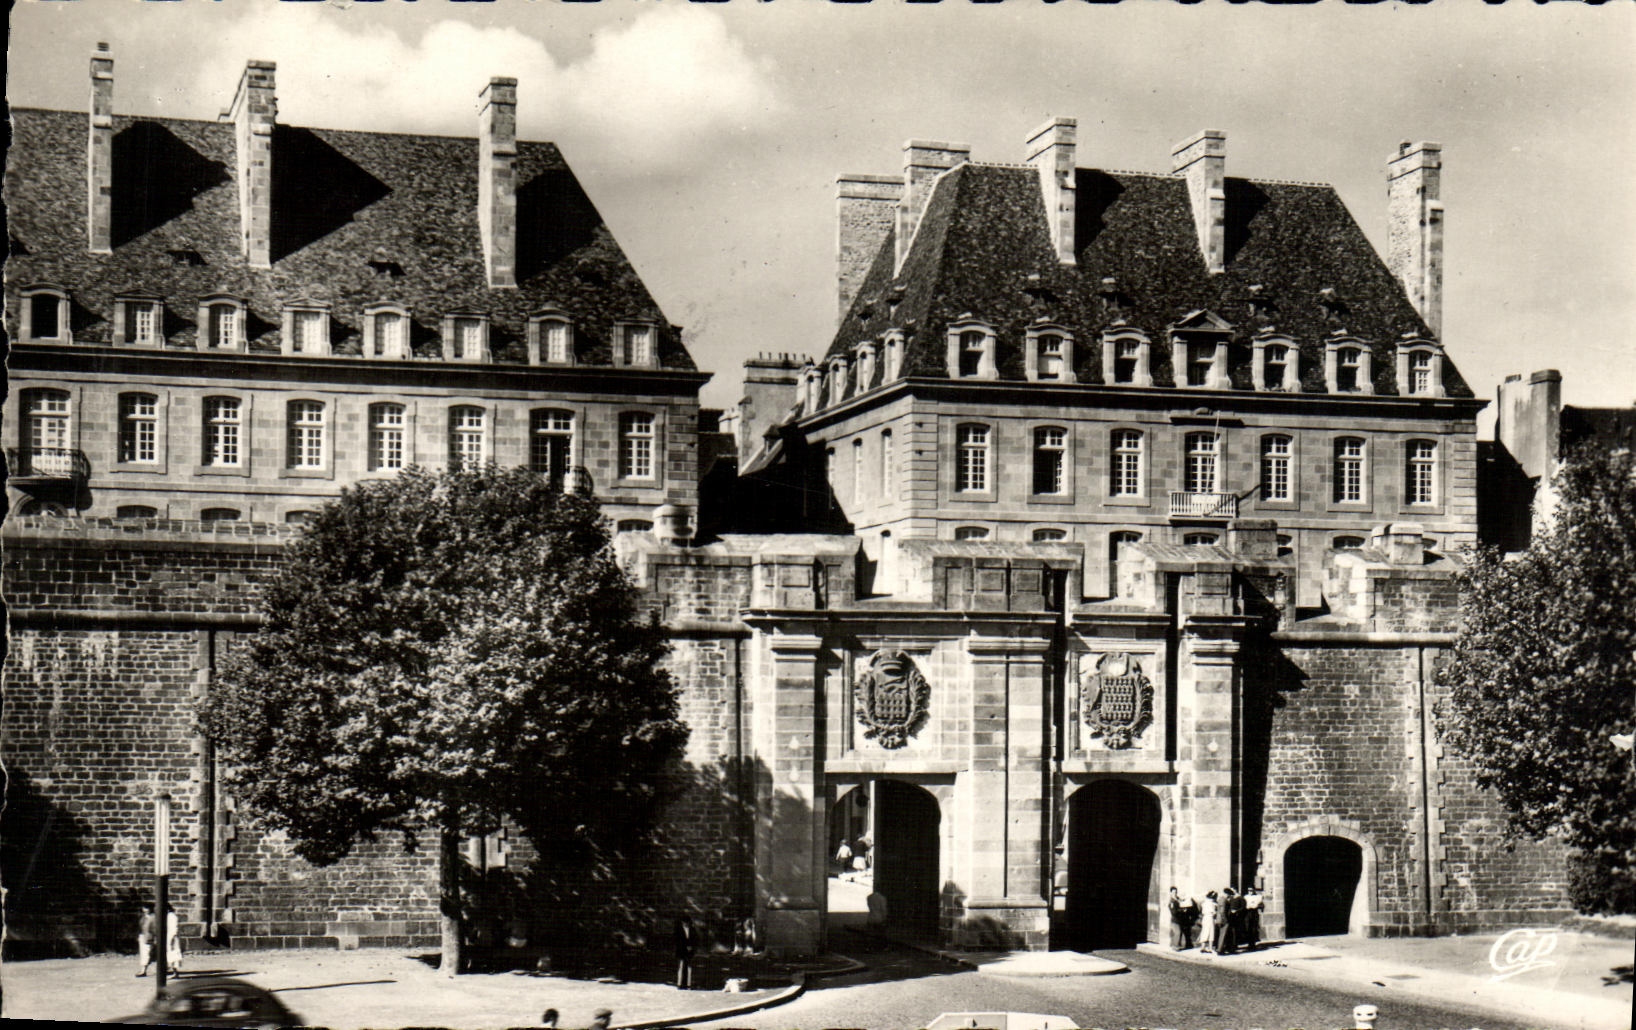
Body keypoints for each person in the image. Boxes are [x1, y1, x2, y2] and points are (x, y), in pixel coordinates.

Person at [673, 915, 696, 990]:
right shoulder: (678, 930)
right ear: (682, 922)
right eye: (684, 922)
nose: (686, 924)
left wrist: (691, 947)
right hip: (681, 950)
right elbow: (677, 940)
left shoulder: (692, 929)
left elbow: (695, 939)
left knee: (689, 967)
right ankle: (679, 983)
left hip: (689, 951)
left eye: (687, 922)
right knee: (681, 967)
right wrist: (685, 946)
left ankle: (688, 984)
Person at [136, 905, 155, 977]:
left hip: (149, 937)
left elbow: (153, 929)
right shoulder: (143, 917)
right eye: (144, 908)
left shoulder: (153, 917)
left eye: (147, 909)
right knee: (144, 954)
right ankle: (143, 969)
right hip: (143, 936)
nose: (145, 910)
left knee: (146, 954)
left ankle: (143, 970)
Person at [164, 903, 183, 974]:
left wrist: (172, 937)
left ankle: (175, 972)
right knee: (170, 953)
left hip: (172, 937)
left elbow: (175, 928)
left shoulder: (172, 916)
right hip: (170, 936)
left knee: (174, 953)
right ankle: (171, 969)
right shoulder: (168, 916)